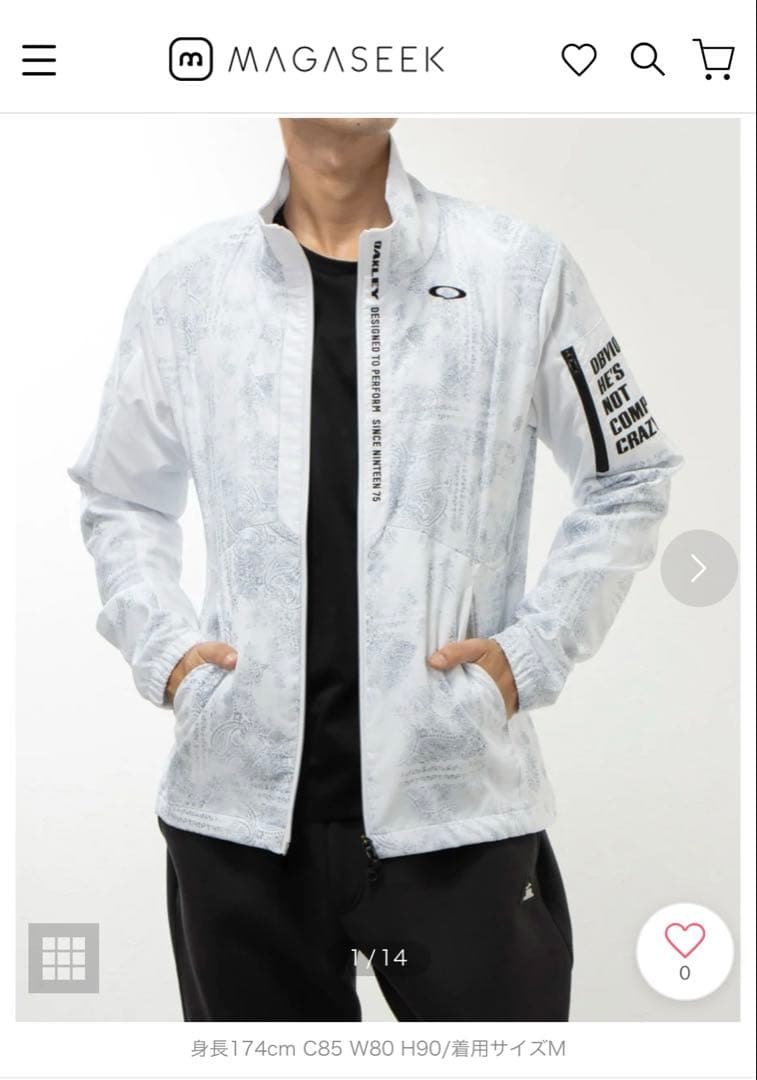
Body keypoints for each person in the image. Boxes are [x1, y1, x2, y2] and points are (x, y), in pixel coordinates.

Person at [67, 118, 682, 1021]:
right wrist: (164, 651)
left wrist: (534, 652)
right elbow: (121, 495)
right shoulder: (187, 283)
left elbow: (629, 473)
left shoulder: (517, 268)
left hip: (457, 806)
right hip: (237, 820)